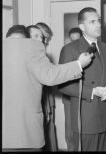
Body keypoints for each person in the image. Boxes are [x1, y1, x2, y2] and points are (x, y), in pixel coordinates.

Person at [2, 25, 93, 152]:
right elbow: (50, 76)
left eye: (42, 37)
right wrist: (78, 64)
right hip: (25, 134)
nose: (40, 40)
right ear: (27, 39)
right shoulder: (31, 48)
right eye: (36, 36)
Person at [58, 7, 106, 151]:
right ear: (82, 27)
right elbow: (63, 85)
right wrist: (93, 92)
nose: (98, 24)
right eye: (92, 21)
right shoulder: (70, 49)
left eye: (98, 21)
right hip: (86, 119)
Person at [35, 22, 57, 151]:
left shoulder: (44, 55)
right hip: (39, 103)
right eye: (43, 38)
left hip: (47, 100)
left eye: (46, 39)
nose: (44, 42)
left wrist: (50, 106)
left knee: (50, 132)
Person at [63, 27, 83, 151]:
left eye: (77, 40)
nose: (74, 44)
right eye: (72, 40)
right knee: (70, 129)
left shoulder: (90, 54)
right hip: (69, 97)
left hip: (85, 96)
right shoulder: (66, 52)